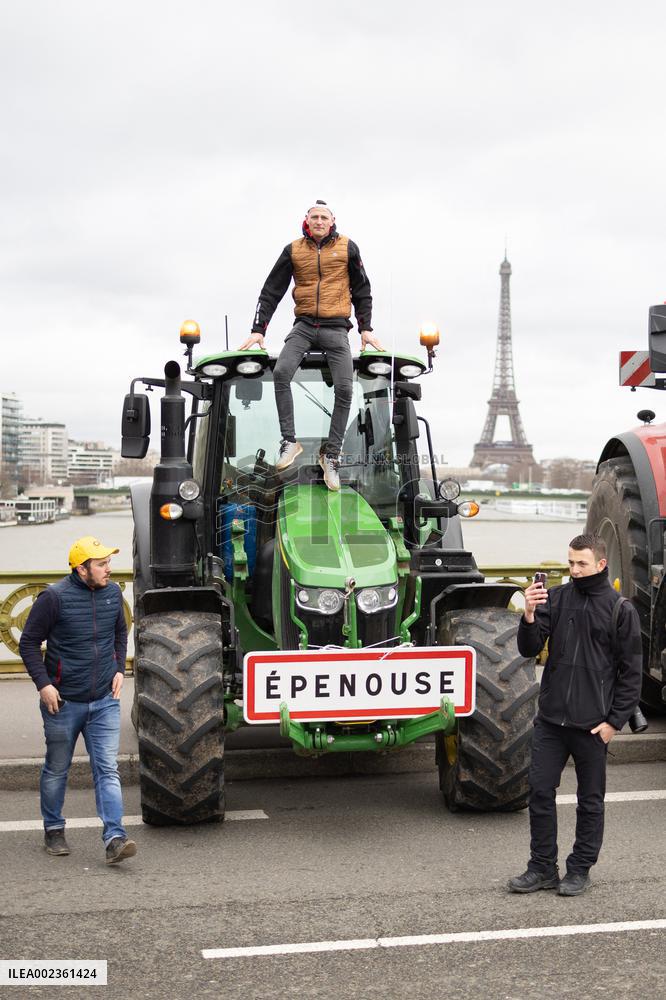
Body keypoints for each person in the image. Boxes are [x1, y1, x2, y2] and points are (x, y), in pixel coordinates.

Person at [508, 533, 642, 897]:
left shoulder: (620, 609)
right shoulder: (556, 598)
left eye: (582, 563)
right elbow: (529, 648)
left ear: (601, 564)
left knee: (590, 802)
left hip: (592, 726)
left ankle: (580, 869)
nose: (575, 570)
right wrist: (529, 614)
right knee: (539, 792)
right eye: (570, 563)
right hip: (551, 721)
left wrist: (613, 722)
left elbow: (632, 673)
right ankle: (541, 867)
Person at [239, 199, 384, 491]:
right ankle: (289, 442)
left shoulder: (347, 247)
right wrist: (258, 329)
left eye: (323, 217)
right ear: (307, 220)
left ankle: (331, 456)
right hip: (304, 325)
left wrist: (365, 328)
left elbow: (362, 289)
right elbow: (271, 290)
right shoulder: (293, 250)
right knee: (281, 372)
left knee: (345, 388)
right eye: (314, 217)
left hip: (336, 327)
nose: (319, 221)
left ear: (332, 222)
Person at [18, 536, 137, 865]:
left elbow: (120, 633)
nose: (108, 569)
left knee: (107, 770)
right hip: (63, 702)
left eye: (108, 562)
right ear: (81, 569)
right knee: (57, 769)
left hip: (104, 701)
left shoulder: (113, 594)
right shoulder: (53, 598)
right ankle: (54, 830)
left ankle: (115, 838)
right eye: (101, 564)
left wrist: (119, 668)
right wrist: (44, 685)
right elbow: (28, 643)